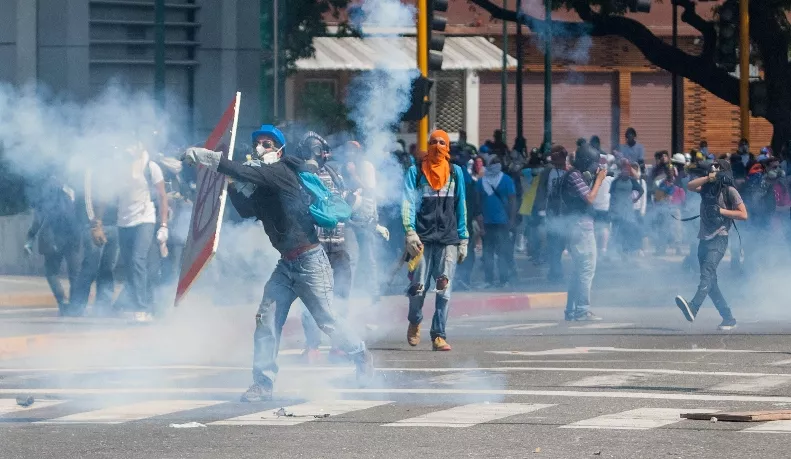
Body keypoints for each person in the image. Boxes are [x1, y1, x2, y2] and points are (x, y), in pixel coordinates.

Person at [181, 125, 374, 402]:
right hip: (286, 264)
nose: (261, 148)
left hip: (310, 261)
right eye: (258, 142)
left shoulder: (281, 172)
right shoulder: (262, 182)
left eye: (268, 143)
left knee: (327, 321)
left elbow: (244, 171)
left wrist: (208, 158)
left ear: (280, 150)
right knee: (266, 321)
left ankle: (360, 355)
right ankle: (263, 384)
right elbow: (247, 211)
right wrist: (233, 186)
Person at [402, 129, 469, 351]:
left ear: (448, 147)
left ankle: (438, 335)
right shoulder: (416, 172)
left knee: (444, 288)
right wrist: (410, 231)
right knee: (417, 287)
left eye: (442, 142)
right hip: (422, 238)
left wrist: (463, 238)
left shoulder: (455, 172)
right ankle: (415, 320)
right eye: (433, 142)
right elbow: (408, 203)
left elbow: (461, 206)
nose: (437, 146)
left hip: (448, 238)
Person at [675, 159, 747, 331]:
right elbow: (690, 186)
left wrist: (721, 211)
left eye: (717, 169)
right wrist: (708, 178)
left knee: (706, 275)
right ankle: (728, 318)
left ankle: (694, 307)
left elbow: (744, 214)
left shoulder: (730, 191)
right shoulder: (707, 188)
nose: (714, 171)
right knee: (711, 283)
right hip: (703, 239)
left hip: (719, 239)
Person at [559, 144, 607, 321]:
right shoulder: (575, 176)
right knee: (586, 270)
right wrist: (599, 180)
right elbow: (589, 198)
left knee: (577, 271)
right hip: (581, 229)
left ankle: (571, 310)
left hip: (574, 227)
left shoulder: (573, 175)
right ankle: (582, 310)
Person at [24, 171, 81, 316]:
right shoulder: (72, 191)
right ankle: (75, 306)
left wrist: (30, 239)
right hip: (71, 236)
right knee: (74, 274)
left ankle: (62, 302)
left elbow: (38, 220)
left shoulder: (46, 193)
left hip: (51, 238)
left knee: (51, 273)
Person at [475, 157, 517, 287]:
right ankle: (501, 280)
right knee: (499, 253)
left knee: (489, 253)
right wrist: (512, 220)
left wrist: (480, 223)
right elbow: (512, 202)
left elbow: (478, 205)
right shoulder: (506, 180)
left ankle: (492, 280)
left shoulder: (481, 182)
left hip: (490, 223)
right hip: (500, 222)